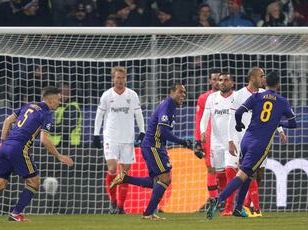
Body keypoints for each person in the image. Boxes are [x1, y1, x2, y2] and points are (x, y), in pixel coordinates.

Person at [0, 87, 74, 221]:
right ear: (51, 99)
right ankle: (15, 214)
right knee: (34, 182)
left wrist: (2, 143)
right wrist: (59, 156)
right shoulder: (46, 113)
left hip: (6, 146)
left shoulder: (28, 105)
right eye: (58, 100)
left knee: (0, 184)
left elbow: (7, 120)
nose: (59, 103)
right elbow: (44, 139)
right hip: (19, 148)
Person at [206, 71, 297, 220]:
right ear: (278, 85)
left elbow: (238, 113)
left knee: (249, 174)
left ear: (265, 82)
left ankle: (238, 207)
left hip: (246, 140)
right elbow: (294, 124)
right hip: (260, 144)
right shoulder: (281, 101)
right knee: (242, 175)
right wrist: (280, 123)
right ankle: (218, 200)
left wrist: (240, 125)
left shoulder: (256, 96)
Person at [109, 83, 202, 220]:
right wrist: (182, 142)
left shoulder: (170, 105)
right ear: (172, 92)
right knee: (165, 178)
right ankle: (148, 213)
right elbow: (163, 131)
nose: (183, 95)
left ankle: (126, 179)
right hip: (154, 146)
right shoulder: (168, 105)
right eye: (180, 92)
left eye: (184, 93)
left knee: (156, 181)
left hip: (155, 146)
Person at [228, 67, 287, 217]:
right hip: (245, 139)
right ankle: (254, 207)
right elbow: (231, 118)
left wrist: (280, 131)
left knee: (259, 173)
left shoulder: (264, 94)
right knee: (249, 172)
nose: (263, 79)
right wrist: (231, 140)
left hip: (262, 139)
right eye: (261, 76)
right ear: (252, 78)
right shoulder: (239, 95)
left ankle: (247, 203)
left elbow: (273, 115)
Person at [93, 66, 145, 214]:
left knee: (124, 174)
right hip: (111, 137)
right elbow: (99, 116)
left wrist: (142, 131)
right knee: (112, 169)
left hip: (127, 138)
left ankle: (121, 207)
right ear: (113, 78)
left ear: (125, 79)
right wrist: (96, 134)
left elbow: (139, 114)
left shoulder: (132, 95)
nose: (120, 80)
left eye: (122, 78)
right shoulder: (106, 95)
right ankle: (113, 201)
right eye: (117, 77)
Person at [200, 72, 237, 216]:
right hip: (216, 143)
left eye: (226, 80)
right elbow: (205, 117)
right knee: (220, 175)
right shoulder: (212, 98)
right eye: (220, 80)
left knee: (230, 172)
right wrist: (203, 131)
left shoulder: (237, 97)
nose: (222, 82)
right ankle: (225, 204)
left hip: (232, 142)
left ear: (232, 83)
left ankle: (229, 207)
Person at [194, 69, 221, 207]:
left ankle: (227, 202)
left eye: (219, 79)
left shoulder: (229, 97)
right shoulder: (204, 98)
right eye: (214, 79)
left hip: (225, 139)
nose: (217, 82)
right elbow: (198, 120)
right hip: (209, 140)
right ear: (210, 81)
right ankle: (214, 201)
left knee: (226, 171)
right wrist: (198, 141)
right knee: (211, 170)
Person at [50, 83, 82, 147]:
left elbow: (66, 128)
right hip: (55, 144)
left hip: (70, 145)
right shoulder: (58, 106)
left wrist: (47, 127)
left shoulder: (72, 107)